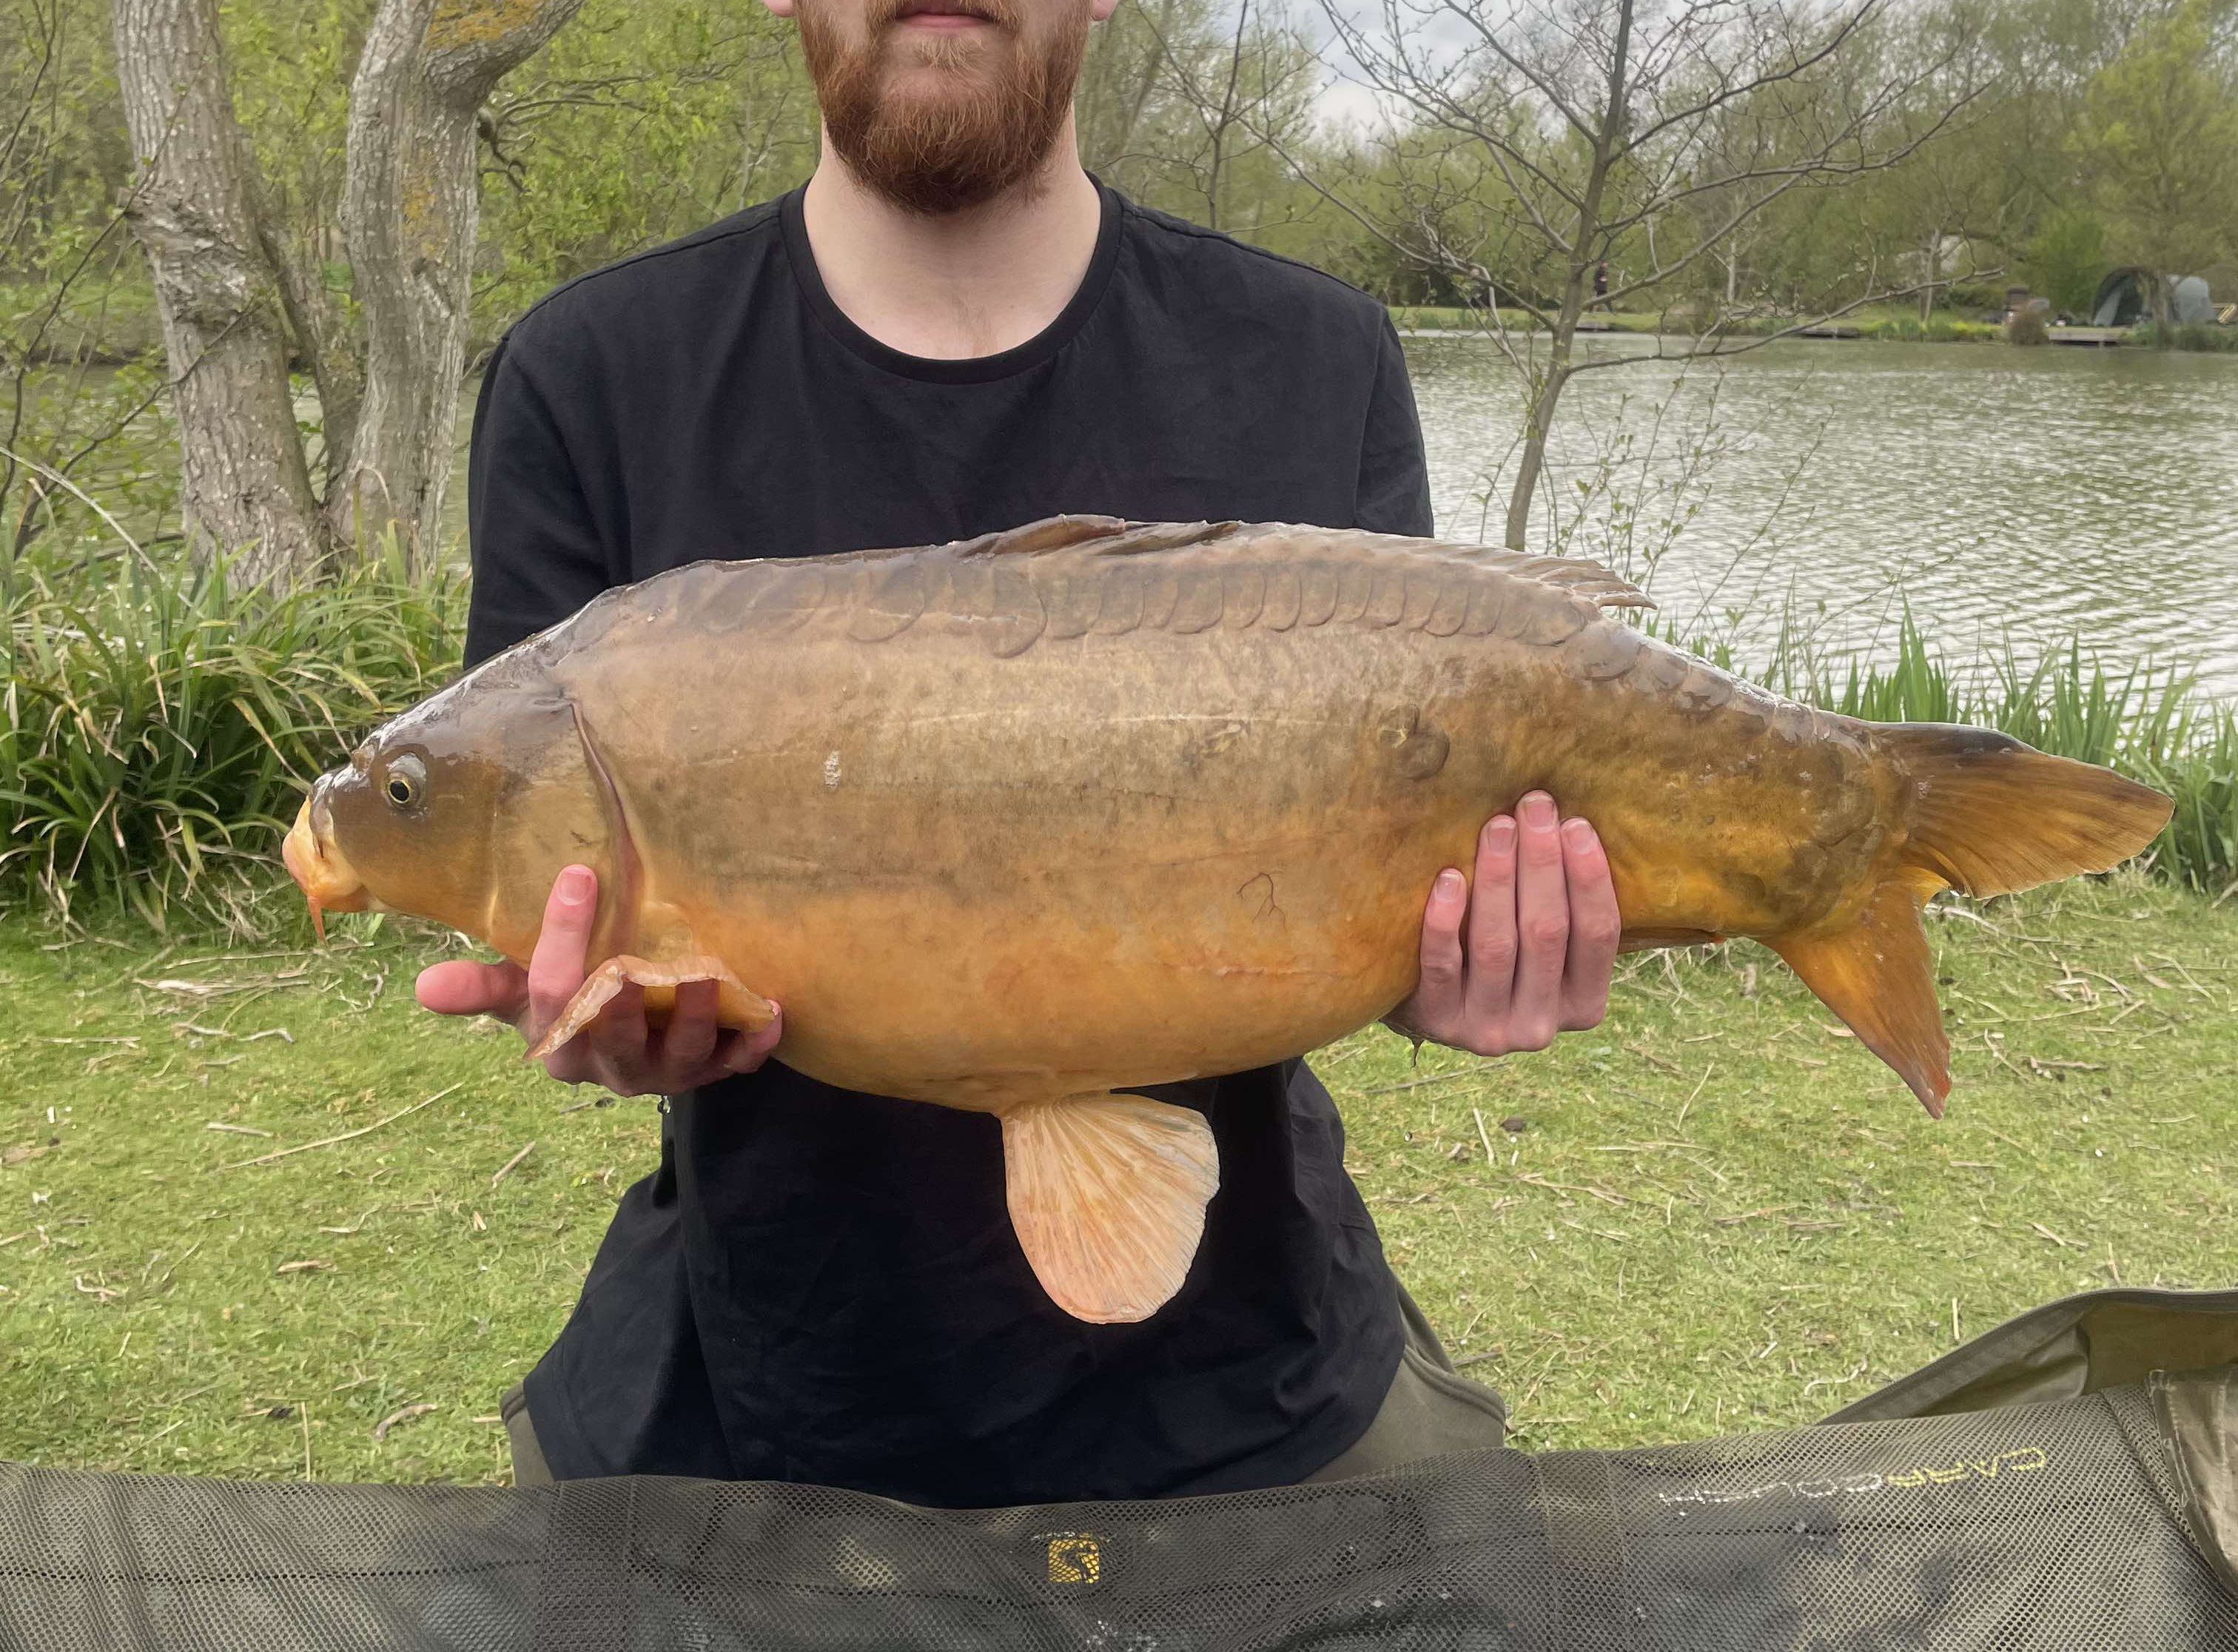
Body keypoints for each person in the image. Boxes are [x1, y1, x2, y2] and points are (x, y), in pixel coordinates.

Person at [418, 0, 1623, 1507]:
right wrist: (599, 1014)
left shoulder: (1315, 356)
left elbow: (1398, 859)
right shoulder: (590, 373)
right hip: (759, 1381)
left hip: (1266, 1371)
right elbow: (557, 886)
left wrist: (1452, 963)